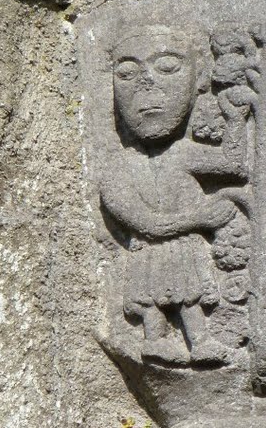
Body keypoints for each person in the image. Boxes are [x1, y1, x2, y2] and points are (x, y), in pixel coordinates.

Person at [101, 26, 245, 365]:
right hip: (152, 253)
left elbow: (235, 163)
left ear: (199, 80)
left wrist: (237, 117)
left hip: (182, 252)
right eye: (127, 72)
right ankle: (157, 341)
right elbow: (146, 225)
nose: (145, 83)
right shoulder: (117, 172)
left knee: (189, 297)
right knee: (155, 301)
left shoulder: (183, 153)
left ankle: (200, 341)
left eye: (167, 66)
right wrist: (197, 218)